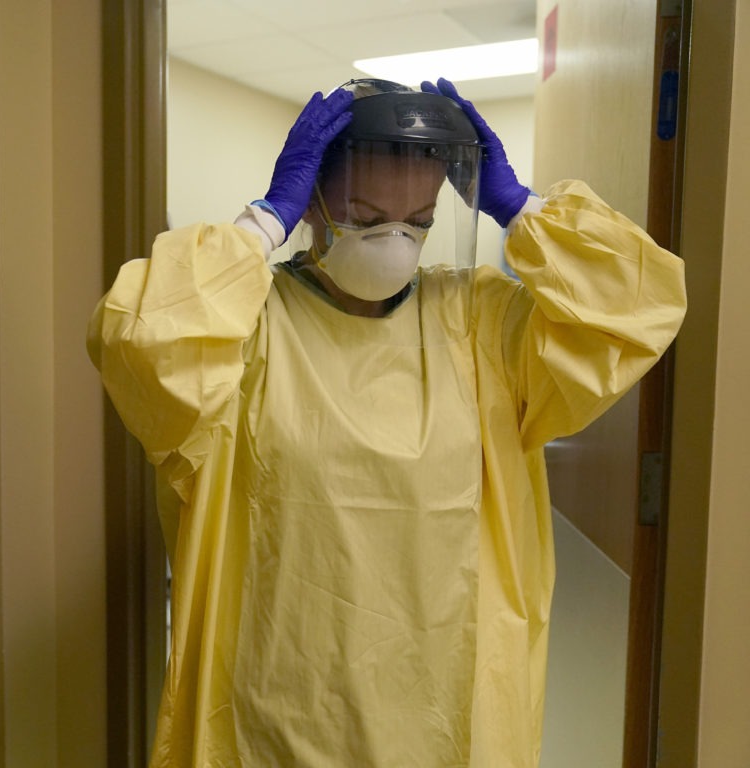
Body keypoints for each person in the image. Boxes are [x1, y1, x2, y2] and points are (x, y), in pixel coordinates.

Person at [87, 77, 687, 767]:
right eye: (367, 217)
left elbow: (637, 306)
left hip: (448, 706)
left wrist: (522, 210)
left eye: (419, 220)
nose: (395, 242)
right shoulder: (246, 328)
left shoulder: (479, 323)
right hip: (278, 707)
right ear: (312, 203)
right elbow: (136, 337)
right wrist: (261, 223)